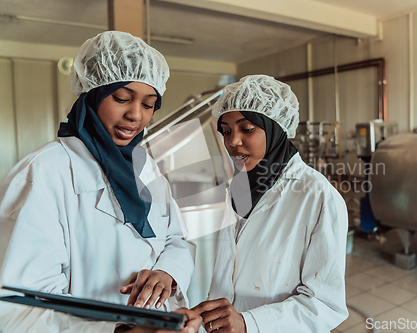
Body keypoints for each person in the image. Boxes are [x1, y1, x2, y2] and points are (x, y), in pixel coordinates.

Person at [0, 31, 201, 333]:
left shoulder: (145, 169)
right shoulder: (43, 173)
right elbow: (19, 306)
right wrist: (123, 331)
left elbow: (174, 239)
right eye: (122, 98)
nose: (135, 116)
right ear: (92, 95)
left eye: (148, 105)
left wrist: (166, 272)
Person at [192, 75, 349, 332]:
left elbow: (325, 305)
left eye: (247, 128)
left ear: (275, 128)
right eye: (227, 131)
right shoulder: (237, 186)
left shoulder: (318, 197)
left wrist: (249, 324)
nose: (233, 142)